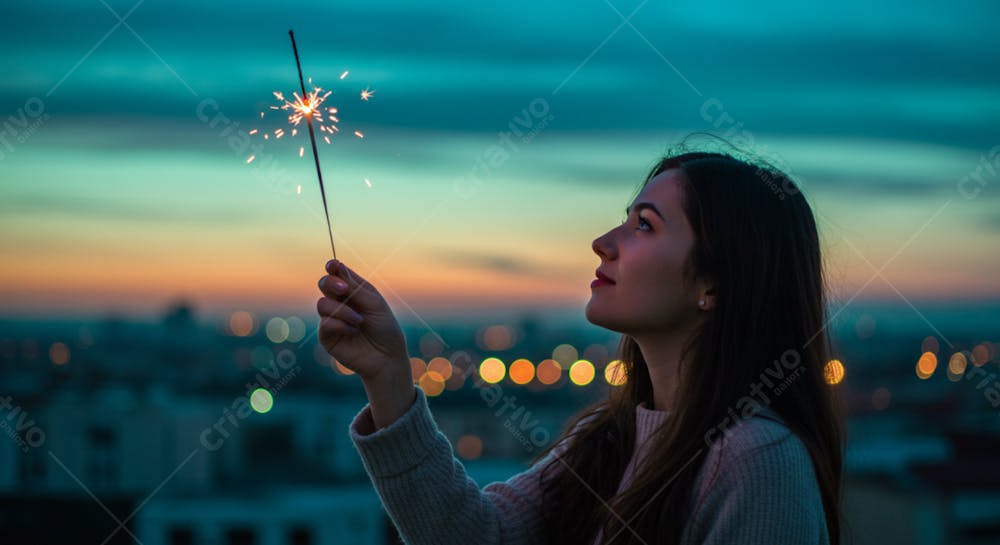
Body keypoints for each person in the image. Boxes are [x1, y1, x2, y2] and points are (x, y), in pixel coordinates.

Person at [316, 147, 846, 545]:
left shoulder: (758, 461)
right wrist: (387, 377)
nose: (603, 241)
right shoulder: (608, 441)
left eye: (644, 225)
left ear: (714, 284)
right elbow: (475, 536)